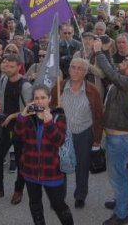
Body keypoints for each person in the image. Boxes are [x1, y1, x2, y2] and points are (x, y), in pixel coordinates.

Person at [94, 39, 128, 225]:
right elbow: (113, 69)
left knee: (119, 177)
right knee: (118, 176)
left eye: (124, 63)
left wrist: (98, 53)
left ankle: (121, 215)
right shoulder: (125, 80)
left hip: (119, 140)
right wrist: (105, 51)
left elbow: (111, 74)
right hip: (114, 137)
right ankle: (121, 202)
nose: (120, 64)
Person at [15, 84, 74, 224]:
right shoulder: (29, 118)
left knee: (59, 205)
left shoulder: (58, 117)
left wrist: (48, 122)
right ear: (32, 100)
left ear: (49, 99)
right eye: (36, 98)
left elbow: (59, 140)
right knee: (35, 205)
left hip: (52, 171)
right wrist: (22, 115)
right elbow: (18, 136)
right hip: (30, 170)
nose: (40, 101)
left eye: (43, 97)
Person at [50, 58, 103, 209]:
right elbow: (51, 108)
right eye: (73, 67)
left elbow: (98, 116)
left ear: (86, 72)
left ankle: (80, 196)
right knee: (60, 165)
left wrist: (97, 140)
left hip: (83, 133)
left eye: (80, 68)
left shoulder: (92, 90)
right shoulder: (59, 87)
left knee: (82, 166)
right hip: (62, 133)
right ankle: (59, 197)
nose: (75, 71)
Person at [0, 54, 32, 205]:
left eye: (11, 66)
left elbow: (29, 110)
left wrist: (11, 116)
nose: (7, 68)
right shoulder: (3, 79)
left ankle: (18, 191)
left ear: (18, 67)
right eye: (6, 65)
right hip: (6, 127)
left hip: (21, 128)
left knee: (21, 162)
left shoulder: (25, 85)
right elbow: (1, 99)